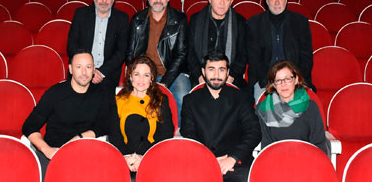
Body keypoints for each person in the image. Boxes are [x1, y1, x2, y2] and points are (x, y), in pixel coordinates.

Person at [22, 51, 115, 178]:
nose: (84, 72)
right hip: (54, 152)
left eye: (88, 67)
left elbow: (107, 124)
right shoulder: (55, 93)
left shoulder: (102, 94)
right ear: (70, 69)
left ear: (94, 70)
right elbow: (29, 125)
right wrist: (46, 149)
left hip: (85, 154)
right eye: (79, 67)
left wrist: (79, 138)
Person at [180, 52, 260, 182]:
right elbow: (189, 135)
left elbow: (254, 131)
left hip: (234, 164)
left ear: (228, 72)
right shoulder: (190, 100)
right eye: (211, 69)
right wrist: (209, 159)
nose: (216, 75)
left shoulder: (241, 98)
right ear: (203, 72)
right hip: (202, 161)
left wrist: (233, 158)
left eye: (221, 70)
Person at [126, 0, 190, 122]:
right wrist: (139, 75)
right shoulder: (137, 19)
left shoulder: (179, 19)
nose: (158, 0)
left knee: (182, 97)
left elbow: (182, 54)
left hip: (173, 72)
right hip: (145, 72)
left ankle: (179, 132)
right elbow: (130, 53)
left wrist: (165, 82)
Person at [247, 0, 315, 101]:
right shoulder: (254, 23)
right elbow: (254, 60)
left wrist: (293, 80)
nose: (277, 3)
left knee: (299, 109)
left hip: (294, 80)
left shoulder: (300, 22)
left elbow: (306, 58)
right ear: (266, 0)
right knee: (268, 109)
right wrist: (270, 82)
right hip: (265, 81)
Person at [109, 56, 174, 176]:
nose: (141, 79)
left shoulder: (161, 100)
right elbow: (114, 135)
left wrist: (144, 157)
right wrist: (127, 157)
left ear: (152, 78)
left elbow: (166, 134)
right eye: (137, 74)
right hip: (125, 160)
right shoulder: (118, 101)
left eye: (146, 75)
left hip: (153, 159)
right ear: (130, 76)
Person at [256, 60, 329, 156]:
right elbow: (266, 147)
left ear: (296, 80)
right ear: (273, 84)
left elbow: (318, 143)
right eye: (278, 80)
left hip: (307, 159)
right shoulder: (264, 109)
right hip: (275, 160)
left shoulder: (311, 107)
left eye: (287, 79)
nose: (283, 84)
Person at [67, 0, 129, 90]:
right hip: (81, 72)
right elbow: (72, 45)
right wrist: (88, 70)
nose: (104, 1)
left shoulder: (122, 19)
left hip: (107, 75)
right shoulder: (81, 14)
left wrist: (101, 72)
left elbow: (121, 52)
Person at [188, 0, 248, 89]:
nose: (222, 2)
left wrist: (231, 76)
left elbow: (242, 54)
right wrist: (199, 75)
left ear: (231, 1)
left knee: (246, 96)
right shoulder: (196, 20)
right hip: (201, 74)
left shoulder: (240, 22)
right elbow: (190, 53)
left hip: (230, 75)